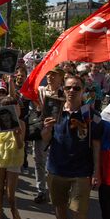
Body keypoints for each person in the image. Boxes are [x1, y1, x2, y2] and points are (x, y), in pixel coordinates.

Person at [41, 75, 103, 219]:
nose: (72, 91)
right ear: (63, 90)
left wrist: (96, 172)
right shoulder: (54, 110)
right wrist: (47, 128)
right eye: (68, 87)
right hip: (56, 168)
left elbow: (96, 146)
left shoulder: (91, 115)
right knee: (59, 206)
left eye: (76, 88)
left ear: (83, 91)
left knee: (79, 212)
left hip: (81, 172)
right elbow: (44, 140)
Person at [34, 67, 64, 203]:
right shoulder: (40, 90)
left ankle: (54, 189)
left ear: (60, 78)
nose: (50, 77)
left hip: (58, 132)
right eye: (49, 74)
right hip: (43, 129)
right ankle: (41, 190)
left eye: (54, 75)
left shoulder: (64, 94)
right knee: (39, 160)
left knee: (55, 162)